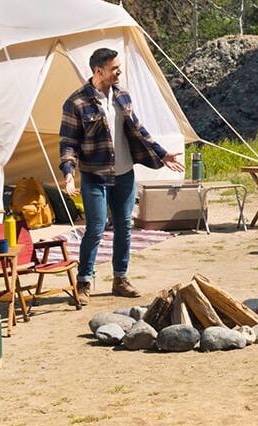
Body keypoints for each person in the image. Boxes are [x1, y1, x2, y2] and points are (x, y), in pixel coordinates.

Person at [60, 48, 183, 303]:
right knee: (95, 228)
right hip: (94, 174)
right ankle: (83, 282)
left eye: (119, 67)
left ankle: (120, 278)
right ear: (98, 71)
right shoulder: (76, 102)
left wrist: (162, 154)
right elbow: (68, 142)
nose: (119, 71)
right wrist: (69, 172)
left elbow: (139, 129)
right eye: (114, 68)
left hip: (124, 173)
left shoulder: (122, 96)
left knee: (124, 227)